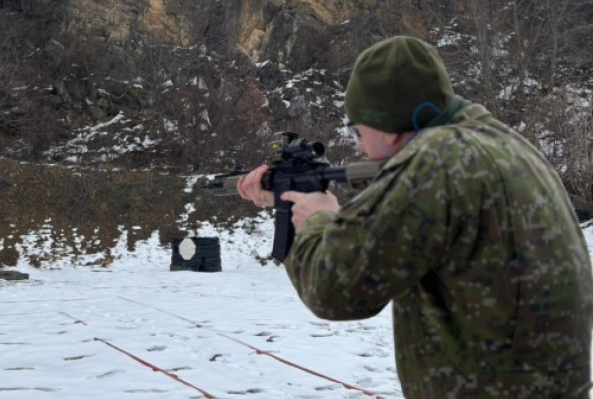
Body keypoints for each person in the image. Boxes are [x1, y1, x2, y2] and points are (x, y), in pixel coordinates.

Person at [237, 36, 593, 398]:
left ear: (389, 131)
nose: (360, 145)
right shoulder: (504, 146)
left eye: (359, 130)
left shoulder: (437, 160)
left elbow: (333, 290)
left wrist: (315, 218)